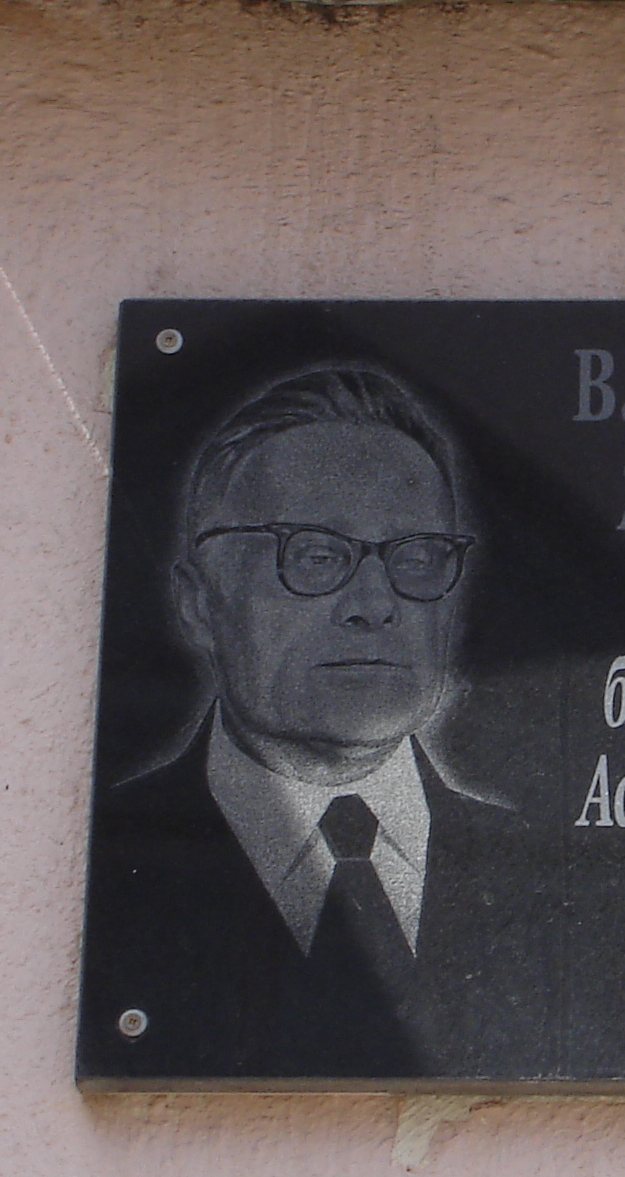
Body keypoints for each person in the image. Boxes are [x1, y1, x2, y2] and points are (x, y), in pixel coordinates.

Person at [79, 361, 543, 1079]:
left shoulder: (559, 882)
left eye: (417, 558)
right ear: (200, 604)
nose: (375, 603)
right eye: (316, 555)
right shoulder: (109, 866)